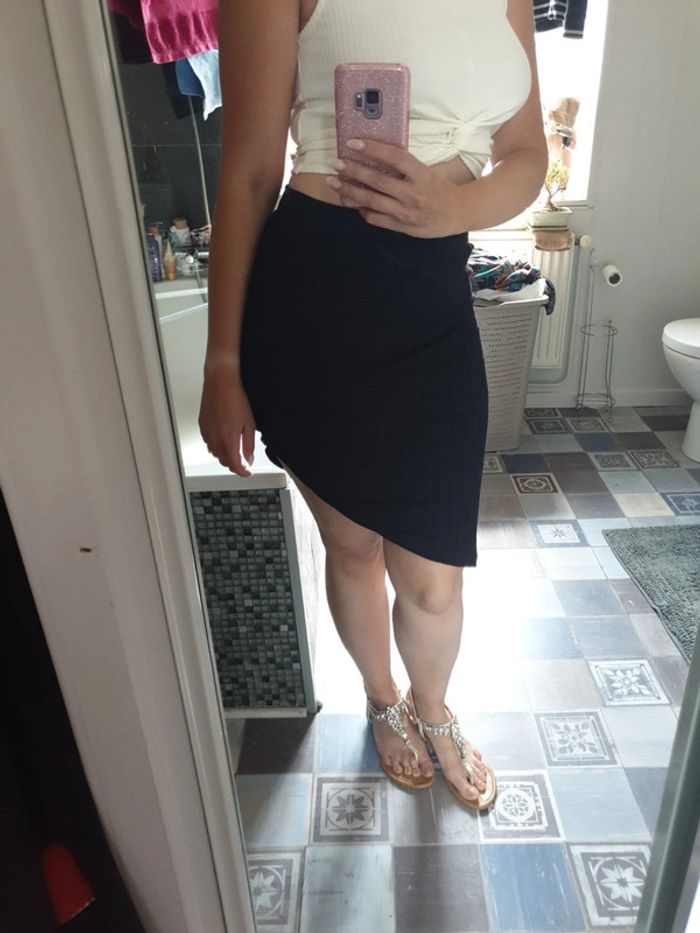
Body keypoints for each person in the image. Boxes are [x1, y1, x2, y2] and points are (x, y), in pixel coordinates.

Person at [198, 0, 547, 809]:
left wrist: (453, 211)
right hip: (316, 305)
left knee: (435, 581)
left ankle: (434, 706)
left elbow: (528, 154)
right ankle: (383, 696)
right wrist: (222, 361)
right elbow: (248, 173)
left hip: (435, 305)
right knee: (353, 549)